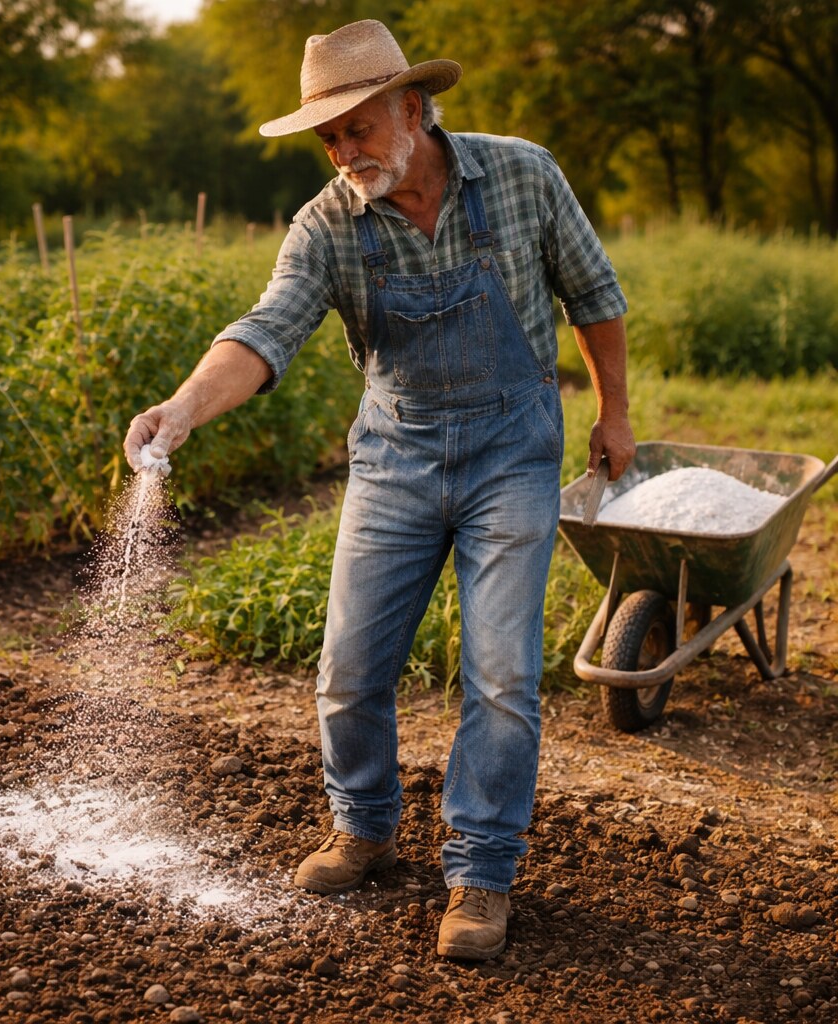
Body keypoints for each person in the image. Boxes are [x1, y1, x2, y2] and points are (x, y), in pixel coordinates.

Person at [124, 19, 636, 961]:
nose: (342, 152)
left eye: (355, 128)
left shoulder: (522, 174)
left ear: (411, 108)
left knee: (501, 676)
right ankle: (364, 826)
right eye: (328, 138)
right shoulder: (327, 223)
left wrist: (614, 415)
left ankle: (481, 873)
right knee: (350, 670)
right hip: (395, 459)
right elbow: (267, 329)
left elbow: (594, 297)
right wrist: (185, 407)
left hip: (512, 455)